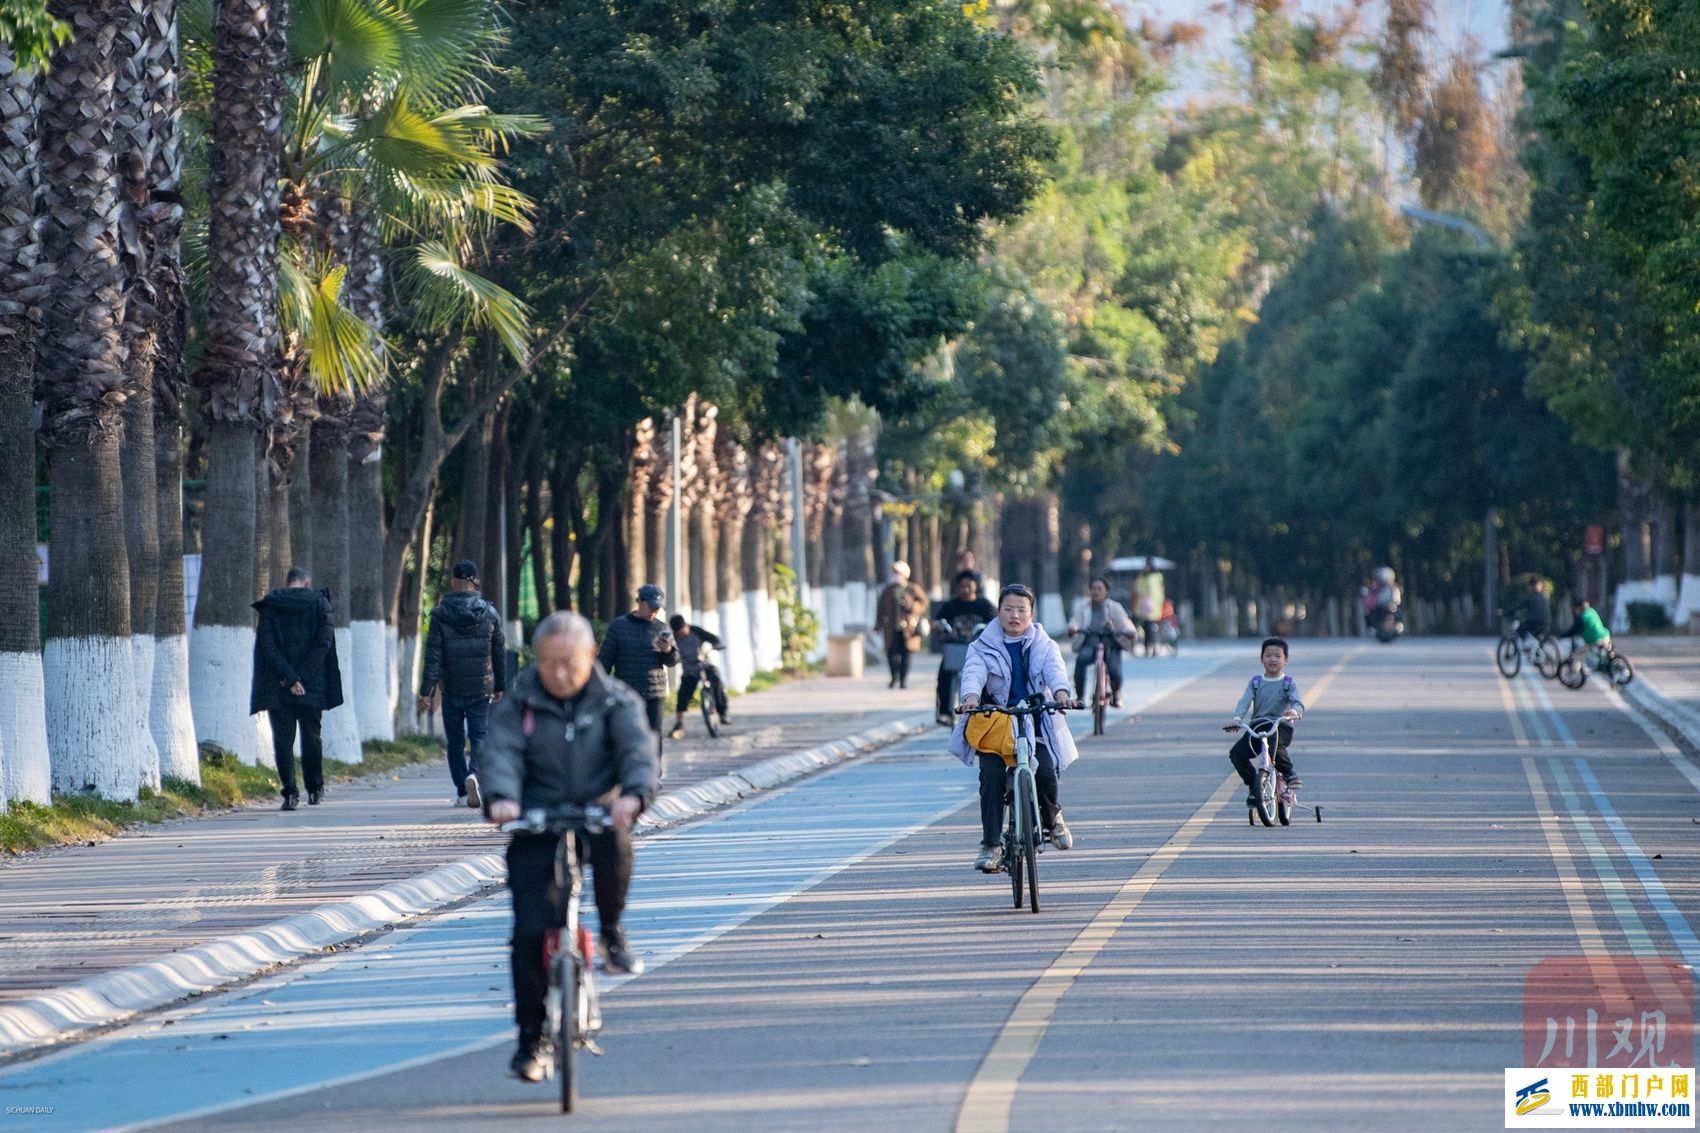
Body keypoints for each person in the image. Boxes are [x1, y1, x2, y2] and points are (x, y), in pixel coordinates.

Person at [481, 612, 658, 1082]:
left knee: (615, 843)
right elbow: (500, 753)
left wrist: (633, 796)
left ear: (591, 657)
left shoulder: (616, 700)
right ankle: (530, 1041)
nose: (559, 673)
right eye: (548, 662)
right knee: (528, 935)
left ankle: (613, 933)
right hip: (535, 819)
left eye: (569, 662)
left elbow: (637, 753)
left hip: (599, 811)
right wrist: (501, 799)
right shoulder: (518, 703)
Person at [948, 583, 1079, 872]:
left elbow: (1055, 670)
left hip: (1036, 719)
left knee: (1045, 771)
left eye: (1021, 610)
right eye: (1008, 609)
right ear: (999, 611)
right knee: (991, 777)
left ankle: (1053, 818)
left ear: (1031, 613)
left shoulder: (1044, 643)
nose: (1014, 615)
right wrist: (970, 698)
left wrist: (1060, 694)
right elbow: (973, 672)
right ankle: (991, 845)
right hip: (996, 721)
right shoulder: (982, 644)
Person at [250, 566, 342, 811]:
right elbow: (323, 645)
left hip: (279, 685)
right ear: (307, 583)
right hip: (312, 685)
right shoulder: (321, 605)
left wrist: (290, 679)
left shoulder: (270, 606)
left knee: (282, 740)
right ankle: (315, 789)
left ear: (287, 582)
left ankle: (290, 793)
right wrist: (302, 679)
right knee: (312, 737)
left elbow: (268, 647)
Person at [417, 559, 507, 809]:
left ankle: (460, 790)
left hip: (452, 688)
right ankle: (474, 774)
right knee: (480, 735)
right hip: (481, 687)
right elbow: (499, 652)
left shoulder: (440, 614)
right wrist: (500, 685)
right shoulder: (489, 613)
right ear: (475, 581)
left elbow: (433, 656)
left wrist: (426, 691)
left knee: (455, 741)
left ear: (453, 582)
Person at [596, 583, 678, 771]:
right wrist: (596, 683)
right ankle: (627, 772)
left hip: (654, 693)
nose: (654, 612)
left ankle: (653, 773)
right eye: (650, 606)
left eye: (657, 608)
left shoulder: (661, 627)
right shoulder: (619, 626)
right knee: (625, 733)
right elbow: (605, 659)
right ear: (639, 602)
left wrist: (668, 650)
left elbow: (673, 660)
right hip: (626, 692)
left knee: (653, 734)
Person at [1223, 637, 1305, 803]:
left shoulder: (1288, 683)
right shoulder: (1255, 683)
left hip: (1280, 726)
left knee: (1275, 742)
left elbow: (1297, 702)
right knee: (1236, 754)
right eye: (1268, 655)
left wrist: (1295, 711)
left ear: (1286, 659)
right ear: (1261, 659)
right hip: (1258, 726)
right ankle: (1255, 786)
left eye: (1277, 656)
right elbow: (1244, 702)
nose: (1272, 659)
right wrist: (1237, 719)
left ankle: (1289, 773)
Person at [931, 570, 996, 725]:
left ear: (976, 585)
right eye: (962, 585)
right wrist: (938, 625)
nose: (965, 588)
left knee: (989, 677)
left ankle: (986, 708)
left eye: (969, 584)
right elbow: (935, 621)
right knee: (944, 677)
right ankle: (945, 712)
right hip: (955, 648)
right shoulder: (951, 605)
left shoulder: (984, 604)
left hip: (979, 651)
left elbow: (996, 620)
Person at [1066, 576, 1135, 707]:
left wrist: (1129, 631)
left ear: (1106, 591)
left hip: (1111, 644)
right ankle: (1080, 696)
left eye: (1099, 588)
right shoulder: (1084, 607)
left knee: (1114, 671)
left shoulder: (1115, 607)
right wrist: (1073, 628)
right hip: (1090, 643)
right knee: (1080, 661)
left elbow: (1125, 623)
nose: (1096, 591)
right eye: (1093, 588)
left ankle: (1116, 693)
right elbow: (1075, 621)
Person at [667, 613, 728, 739]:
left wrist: (717, 645)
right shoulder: (673, 638)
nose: (680, 634)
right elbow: (671, 654)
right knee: (683, 694)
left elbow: (713, 638)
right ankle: (679, 723)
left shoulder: (696, 631)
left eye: (681, 631)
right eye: (677, 632)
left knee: (716, 680)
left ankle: (722, 713)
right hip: (689, 670)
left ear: (686, 626)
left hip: (704, 664)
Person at [874, 561, 929, 690]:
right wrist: (878, 624)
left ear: (904, 574)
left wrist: (913, 607)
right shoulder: (888, 590)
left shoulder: (912, 588)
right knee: (891, 653)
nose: (895, 575)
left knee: (906, 654)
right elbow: (880, 608)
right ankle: (894, 677)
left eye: (897, 573)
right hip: (891, 628)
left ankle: (903, 680)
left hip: (909, 629)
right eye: (894, 573)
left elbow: (923, 603)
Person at [1505, 577, 1552, 645]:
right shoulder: (1545, 596)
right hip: (1547, 623)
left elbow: (1518, 607)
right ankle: (1536, 649)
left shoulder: (1530, 597)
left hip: (1533, 622)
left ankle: (1527, 645)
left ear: (1530, 586)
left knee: (1519, 630)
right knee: (1535, 637)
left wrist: (1506, 612)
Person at [1132, 562, 1166, 657]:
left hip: (1148, 608)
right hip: (1151, 608)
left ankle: (1151, 649)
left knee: (1149, 629)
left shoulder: (1149, 578)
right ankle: (1150, 649)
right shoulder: (1157, 577)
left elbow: (1139, 589)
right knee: (1149, 629)